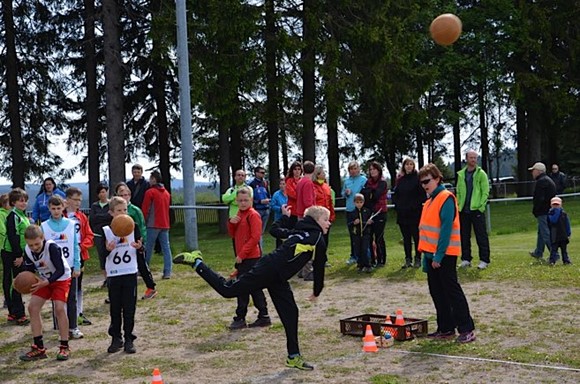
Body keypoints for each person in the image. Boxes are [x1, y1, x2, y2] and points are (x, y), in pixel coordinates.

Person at [173, 205, 331, 371]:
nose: (329, 223)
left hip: (278, 278)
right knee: (228, 290)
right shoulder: (316, 237)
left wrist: (284, 217)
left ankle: (293, 356)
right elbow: (319, 266)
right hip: (268, 270)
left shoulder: (299, 232)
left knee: (291, 312)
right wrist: (317, 290)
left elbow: (275, 230)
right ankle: (197, 262)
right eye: (325, 219)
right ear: (315, 221)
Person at [417, 163, 476, 343]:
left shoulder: (446, 198)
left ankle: (467, 328)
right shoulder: (429, 201)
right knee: (437, 292)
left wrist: (438, 256)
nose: (424, 185)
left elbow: (446, 229)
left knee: (452, 291)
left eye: (427, 181)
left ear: (437, 178)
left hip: (445, 254)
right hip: (431, 255)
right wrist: (427, 257)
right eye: (422, 182)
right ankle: (445, 327)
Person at [20, 225, 72, 361]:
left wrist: (46, 282)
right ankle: (39, 347)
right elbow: (29, 269)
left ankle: (64, 346)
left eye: (37, 244)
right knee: (32, 307)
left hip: (60, 279)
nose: (34, 247)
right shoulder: (28, 250)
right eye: (31, 245)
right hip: (44, 280)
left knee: (59, 309)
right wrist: (23, 280)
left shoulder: (52, 247)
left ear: (42, 238)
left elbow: (60, 270)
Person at [226, 187, 271, 329]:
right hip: (244, 257)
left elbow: (255, 237)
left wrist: (242, 254)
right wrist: (231, 224)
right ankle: (262, 316)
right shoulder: (240, 214)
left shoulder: (253, 215)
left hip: (251, 257)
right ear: (236, 201)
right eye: (240, 200)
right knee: (251, 287)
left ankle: (241, 317)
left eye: (246, 200)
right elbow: (233, 235)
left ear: (251, 200)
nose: (243, 203)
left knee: (246, 287)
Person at [103, 197, 143, 354]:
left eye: (125, 210)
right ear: (111, 213)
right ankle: (116, 338)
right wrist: (107, 249)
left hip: (129, 271)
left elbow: (141, 248)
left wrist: (140, 247)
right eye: (119, 210)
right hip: (114, 273)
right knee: (115, 308)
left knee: (129, 307)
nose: (123, 213)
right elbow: (102, 253)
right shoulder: (107, 230)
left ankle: (129, 338)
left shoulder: (134, 227)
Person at [41, 195, 82, 340]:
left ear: (63, 208)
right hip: (54, 270)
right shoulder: (44, 226)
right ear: (49, 209)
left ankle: (74, 327)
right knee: (57, 300)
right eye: (53, 209)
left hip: (69, 266)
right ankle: (60, 328)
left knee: (72, 298)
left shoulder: (71, 224)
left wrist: (77, 265)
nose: (56, 211)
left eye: (59, 208)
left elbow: (76, 246)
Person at [115, 183, 158, 299]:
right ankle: (116, 292)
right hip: (120, 243)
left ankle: (151, 287)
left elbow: (142, 226)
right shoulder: (115, 210)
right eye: (122, 195)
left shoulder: (134, 210)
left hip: (134, 242)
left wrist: (141, 241)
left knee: (141, 264)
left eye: (127, 194)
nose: (125, 197)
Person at [64, 187, 95, 326]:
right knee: (63, 285)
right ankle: (63, 314)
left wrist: (81, 246)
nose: (78, 203)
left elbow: (89, 235)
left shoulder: (82, 217)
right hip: (63, 255)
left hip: (79, 254)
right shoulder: (61, 215)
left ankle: (79, 313)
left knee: (78, 285)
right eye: (75, 200)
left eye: (79, 200)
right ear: (68, 200)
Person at [456, 150, 491, 270]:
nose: (473, 160)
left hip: (476, 210)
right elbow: (459, 191)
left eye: (475, 158)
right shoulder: (461, 175)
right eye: (471, 157)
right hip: (463, 210)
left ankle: (484, 260)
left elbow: (485, 192)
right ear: (466, 159)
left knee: (481, 236)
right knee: (464, 236)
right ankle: (466, 259)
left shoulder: (481, 174)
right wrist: (459, 205)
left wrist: (481, 207)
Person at [2, 188, 30, 325]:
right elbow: (13, 237)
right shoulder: (13, 216)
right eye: (20, 201)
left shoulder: (22, 215)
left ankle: (14, 311)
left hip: (20, 253)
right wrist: (19, 256)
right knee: (18, 282)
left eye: (25, 200)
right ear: (13, 202)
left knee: (16, 282)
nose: (23, 203)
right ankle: (19, 314)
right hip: (12, 253)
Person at [392, 158, 426, 269]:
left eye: (411, 164)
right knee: (406, 238)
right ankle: (408, 259)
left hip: (414, 213)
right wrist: (397, 206)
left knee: (416, 237)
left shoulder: (418, 179)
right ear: (404, 166)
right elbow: (395, 195)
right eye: (407, 164)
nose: (409, 166)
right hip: (402, 214)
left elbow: (422, 196)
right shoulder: (400, 180)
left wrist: (413, 206)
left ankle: (418, 258)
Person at [142, 170, 173, 279]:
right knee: (166, 248)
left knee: (148, 247)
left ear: (154, 179)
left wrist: (143, 221)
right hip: (165, 224)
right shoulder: (166, 193)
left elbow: (146, 209)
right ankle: (168, 271)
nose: (149, 180)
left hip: (153, 224)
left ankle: (144, 269)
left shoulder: (150, 192)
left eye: (150, 178)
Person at [361, 161, 388, 267]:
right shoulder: (368, 182)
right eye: (370, 169)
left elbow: (376, 196)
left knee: (379, 237)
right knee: (369, 237)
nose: (372, 171)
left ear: (379, 170)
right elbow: (365, 195)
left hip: (380, 212)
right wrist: (369, 193)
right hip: (370, 212)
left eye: (374, 169)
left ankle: (381, 260)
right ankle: (372, 259)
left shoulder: (382, 182)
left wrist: (370, 193)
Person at [528, 162, 557, 260]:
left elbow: (539, 198)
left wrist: (536, 210)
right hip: (548, 210)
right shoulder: (547, 180)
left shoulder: (542, 182)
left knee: (545, 233)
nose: (532, 173)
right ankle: (538, 252)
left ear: (538, 171)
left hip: (543, 211)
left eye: (533, 170)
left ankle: (554, 254)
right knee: (541, 232)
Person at [222, 169, 253, 256]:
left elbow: (249, 201)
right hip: (233, 220)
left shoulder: (249, 188)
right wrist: (236, 193)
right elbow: (225, 199)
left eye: (242, 175)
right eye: (238, 175)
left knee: (247, 241)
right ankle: (238, 260)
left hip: (246, 219)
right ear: (235, 177)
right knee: (235, 242)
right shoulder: (231, 190)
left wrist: (233, 200)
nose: (240, 177)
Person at [341, 161, 367, 265]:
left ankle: (364, 255)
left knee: (362, 234)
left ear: (359, 169)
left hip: (360, 210)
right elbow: (342, 193)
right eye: (351, 169)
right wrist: (346, 193)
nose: (353, 171)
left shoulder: (363, 180)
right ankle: (353, 255)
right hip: (349, 210)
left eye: (355, 168)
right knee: (352, 234)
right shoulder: (346, 181)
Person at [296, 161, 316, 280]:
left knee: (302, 243)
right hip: (307, 216)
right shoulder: (308, 182)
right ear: (313, 170)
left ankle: (301, 269)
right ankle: (308, 271)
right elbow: (308, 201)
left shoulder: (300, 181)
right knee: (309, 244)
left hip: (300, 215)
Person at [89, 183, 112, 288]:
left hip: (110, 232)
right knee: (102, 255)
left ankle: (112, 275)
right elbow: (93, 219)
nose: (102, 194)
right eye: (100, 192)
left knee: (110, 253)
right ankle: (106, 278)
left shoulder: (111, 204)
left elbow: (111, 217)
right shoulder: (94, 206)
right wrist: (105, 217)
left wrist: (101, 217)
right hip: (98, 233)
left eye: (104, 191)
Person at [347, 194, 373, 273]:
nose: (359, 204)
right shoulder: (352, 213)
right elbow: (349, 224)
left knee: (365, 249)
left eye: (361, 202)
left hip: (365, 234)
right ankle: (360, 265)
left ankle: (367, 265)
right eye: (357, 202)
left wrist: (369, 222)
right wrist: (354, 223)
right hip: (356, 235)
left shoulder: (367, 211)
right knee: (358, 250)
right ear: (354, 203)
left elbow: (371, 222)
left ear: (363, 202)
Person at [547, 197, 572, 266]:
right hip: (554, 235)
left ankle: (566, 260)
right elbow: (553, 221)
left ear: (561, 205)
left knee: (564, 250)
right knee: (554, 249)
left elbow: (567, 224)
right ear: (551, 205)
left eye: (557, 205)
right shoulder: (550, 214)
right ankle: (552, 261)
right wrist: (557, 212)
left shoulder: (564, 214)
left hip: (563, 235)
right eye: (554, 205)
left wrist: (569, 233)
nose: (556, 206)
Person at [249, 166, 271, 238]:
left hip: (266, 209)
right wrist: (260, 201)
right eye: (262, 173)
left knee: (261, 232)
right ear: (256, 173)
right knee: (257, 231)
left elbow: (268, 194)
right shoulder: (252, 184)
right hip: (257, 210)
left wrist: (268, 200)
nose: (263, 174)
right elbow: (251, 199)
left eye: (264, 173)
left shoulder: (265, 183)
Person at [269, 177, 288, 248]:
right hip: (279, 218)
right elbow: (272, 205)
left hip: (289, 218)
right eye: (280, 184)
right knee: (279, 237)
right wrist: (280, 209)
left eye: (284, 184)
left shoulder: (290, 194)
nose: (282, 186)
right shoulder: (276, 194)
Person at [284, 161, 302, 228]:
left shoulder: (303, 180)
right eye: (295, 169)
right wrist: (302, 196)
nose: (297, 171)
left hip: (301, 210)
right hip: (292, 210)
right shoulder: (289, 181)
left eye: (299, 169)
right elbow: (292, 194)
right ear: (292, 170)